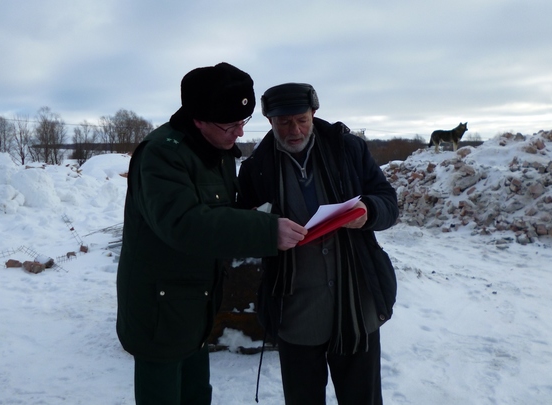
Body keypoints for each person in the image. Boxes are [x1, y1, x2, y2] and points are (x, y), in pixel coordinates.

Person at [116, 64, 307, 405]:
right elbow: (183, 223)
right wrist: (264, 230)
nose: (240, 134)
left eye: (244, 122)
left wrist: (245, 217)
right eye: (231, 125)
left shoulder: (213, 151)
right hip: (160, 312)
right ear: (199, 119)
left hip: (196, 305)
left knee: (197, 395)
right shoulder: (162, 153)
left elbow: (215, 213)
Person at [237, 82, 399, 405]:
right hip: (295, 315)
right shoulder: (256, 169)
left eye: (301, 120)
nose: (294, 130)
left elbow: (389, 203)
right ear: (270, 121)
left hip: (356, 308)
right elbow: (242, 229)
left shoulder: (348, 150)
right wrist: (266, 230)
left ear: (313, 113)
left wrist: (368, 211)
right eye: (284, 122)